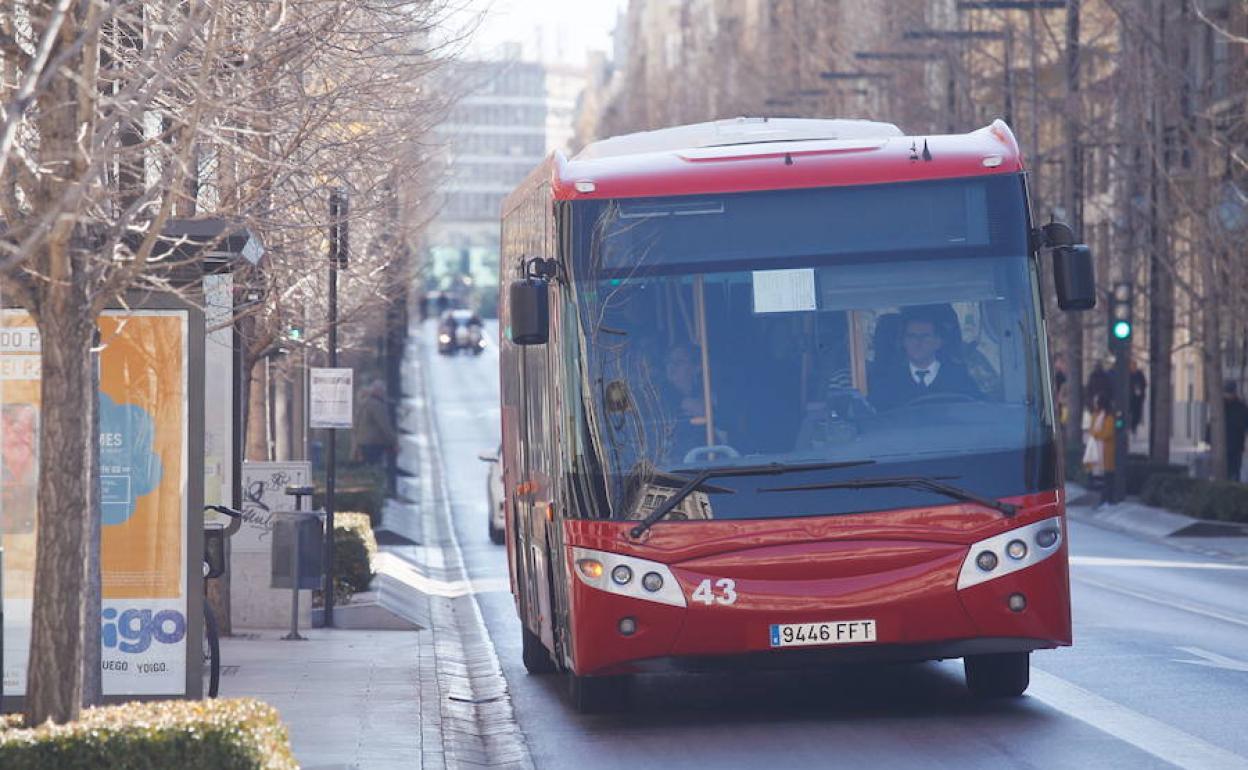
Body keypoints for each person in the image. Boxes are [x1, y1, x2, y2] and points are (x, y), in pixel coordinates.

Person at [869, 309, 981, 410]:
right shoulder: (887, 382)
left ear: (938, 342)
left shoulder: (960, 378)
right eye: (911, 336)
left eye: (925, 336)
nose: (918, 342)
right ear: (903, 342)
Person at [352, 379, 397, 465]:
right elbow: (384, 425)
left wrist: (356, 444)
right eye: (383, 391)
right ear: (378, 392)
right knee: (374, 466)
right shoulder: (377, 405)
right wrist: (394, 441)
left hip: (362, 442)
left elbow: (356, 423)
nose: (384, 393)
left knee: (366, 467)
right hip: (373, 443)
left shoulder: (364, 402)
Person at [1083, 391, 1115, 505]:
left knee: (1107, 476)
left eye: (1096, 402)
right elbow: (1091, 429)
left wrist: (1097, 435)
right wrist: (1095, 434)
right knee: (1096, 477)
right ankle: (1099, 499)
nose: (1095, 404)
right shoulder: (1094, 415)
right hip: (1096, 449)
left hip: (1105, 450)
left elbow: (1108, 433)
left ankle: (1107, 499)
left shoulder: (1109, 417)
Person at [1224, 381, 1248, 483]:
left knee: (1235, 470)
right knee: (1224, 470)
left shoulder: (1241, 407)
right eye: (1226, 392)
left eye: (1230, 392)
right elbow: (1212, 423)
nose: (1228, 395)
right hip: (1222, 444)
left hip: (1236, 445)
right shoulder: (1220, 406)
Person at [1129, 359, 1147, 436]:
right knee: (1129, 412)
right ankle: (1130, 427)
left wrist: (1140, 389)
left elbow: (1144, 383)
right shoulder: (1127, 374)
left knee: (1137, 413)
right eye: (1132, 366)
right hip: (1129, 398)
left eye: (1134, 365)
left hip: (1138, 398)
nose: (1133, 367)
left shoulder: (1139, 373)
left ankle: (1134, 427)